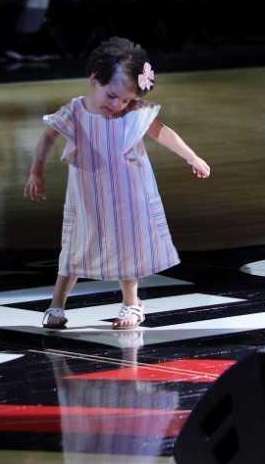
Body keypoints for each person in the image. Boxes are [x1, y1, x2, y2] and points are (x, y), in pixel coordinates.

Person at [24, 36, 211, 329]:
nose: (118, 104)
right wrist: (36, 170)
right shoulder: (75, 111)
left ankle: (131, 303)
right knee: (76, 245)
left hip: (128, 191)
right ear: (94, 80)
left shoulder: (134, 112)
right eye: (112, 96)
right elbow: (48, 136)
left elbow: (161, 132)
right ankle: (56, 304)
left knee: (128, 245)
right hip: (88, 195)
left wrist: (192, 157)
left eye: (126, 99)